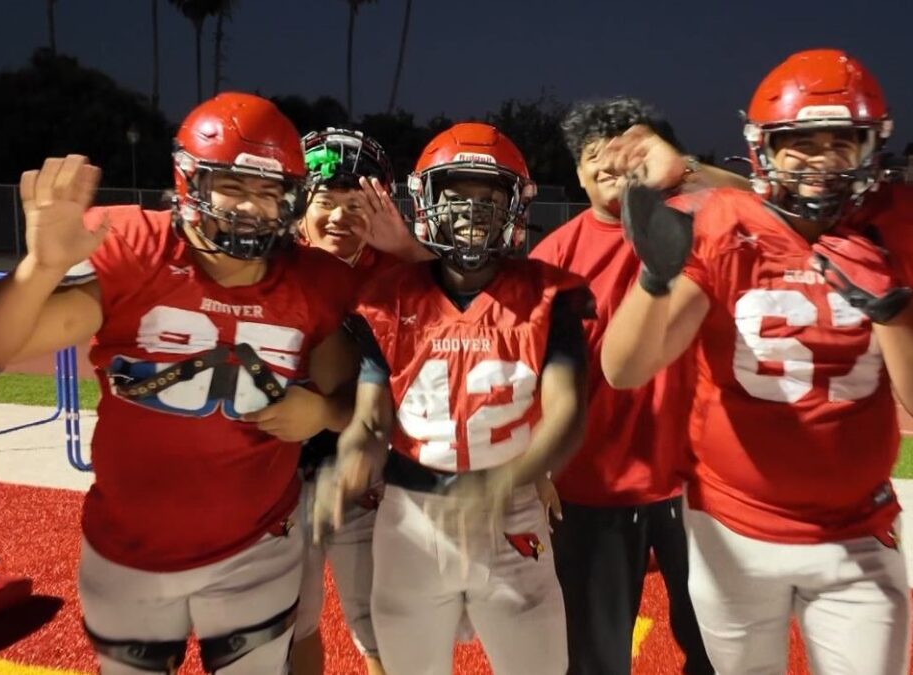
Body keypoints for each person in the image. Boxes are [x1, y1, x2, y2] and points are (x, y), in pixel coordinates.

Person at [0, 92, 359, 675]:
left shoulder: (311, 281)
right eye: (235, 187)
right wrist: (40, 268)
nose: (253, 209)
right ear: (190, 181)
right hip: (129, 547)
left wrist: (320, 413)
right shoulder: (137, 246)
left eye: (270, 193)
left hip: (256, 545)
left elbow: (356, 398)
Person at [601, 49, 913, 673]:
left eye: (840, 140)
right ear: (766, 148)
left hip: (856, 529)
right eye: (800, 142)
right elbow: (624, 369)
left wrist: (893, 314)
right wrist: (655, 279)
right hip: (733, 526)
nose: (820, 160)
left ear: (870, 147)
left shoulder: (898, 224)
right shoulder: (724, 223)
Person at [323, 122, 590, 675]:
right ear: (427, 201)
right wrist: (352, 458)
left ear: (515, 205)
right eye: (456, 194)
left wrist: (515, 477)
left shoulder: (547, 295)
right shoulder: (390, 298)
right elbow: (372, 417)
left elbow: (565, 411)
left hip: (510, 511)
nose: (472, 210)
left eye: (489, 196)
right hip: (411, 516)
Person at [528, 98, 722, 675]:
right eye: (595, 155)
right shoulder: (552, 258)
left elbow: (768, 202)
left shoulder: (701, 222)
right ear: (578, 172)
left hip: (699, 485)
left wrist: (681, 167)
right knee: (594, 657)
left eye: (626, 148)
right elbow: (524, 373)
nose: (611, 164)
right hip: (594, 487)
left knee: (718, 647)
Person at [291, 127, 395, 675]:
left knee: (379, 620)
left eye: (356, 204)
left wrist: (328, 414)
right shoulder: (268, 264)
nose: (339, 216)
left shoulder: (399, 274)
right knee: (292, 621)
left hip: (368, 467)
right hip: (276, 470)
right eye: (326, 200)